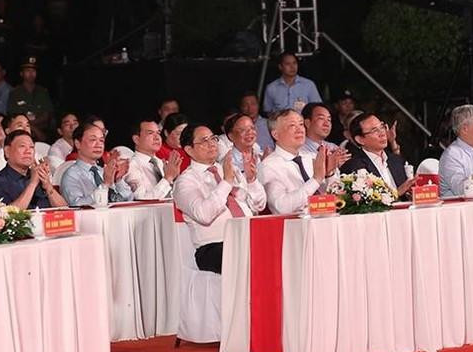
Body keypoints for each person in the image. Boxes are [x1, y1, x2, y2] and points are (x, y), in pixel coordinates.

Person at [173, 124, 266, 274]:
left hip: (247, 236)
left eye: (214, 138)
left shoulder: (228, 169)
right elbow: (203, 215)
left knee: (281, 245)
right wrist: (226, 182)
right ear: (189, 149)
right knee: (250, 256)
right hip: (214, 246)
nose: (211, 144)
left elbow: (258, 206)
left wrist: (251, 180)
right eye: (204, 140)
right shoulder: (185, 181)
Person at [258, 109, 339, 214]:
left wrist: (329, 175)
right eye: (292, 126)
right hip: (294, 227)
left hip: (324, 220)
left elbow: (336, 199)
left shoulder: (313, 157)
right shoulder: (269, 166)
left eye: (301, 124)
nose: (300, 130)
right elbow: (280, 207)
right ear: (275, 134)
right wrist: (316, 179)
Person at [0, 130, 67, 209]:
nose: (28, 151)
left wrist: (48, 186)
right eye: (22, 146)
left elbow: (65, 210)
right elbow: (7, 217)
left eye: (31, 147)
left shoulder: (39, 176)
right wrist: (32, 184)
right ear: (7, 151)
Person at [340, 112, 415, 197]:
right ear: (360, 139)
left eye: (382, 127)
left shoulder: (397, 161)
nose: (382, 133)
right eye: (374, 130)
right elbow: (364, 203)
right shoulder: (354, 167)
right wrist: (396, 193)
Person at [61, 122, 133, 206]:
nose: (99, 145)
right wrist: (105, 185)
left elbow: (129, 198)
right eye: (93, 140)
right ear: (78, 143)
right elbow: (77, 204)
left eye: (101, 140)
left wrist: (118, 180)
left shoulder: (103, 171)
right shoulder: (71, 174)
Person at [125, 119, 181, 200]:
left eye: (158, 133)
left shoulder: (162, 163)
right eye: (150, 133)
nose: (157, 137)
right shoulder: (130, 166)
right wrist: (168, 178)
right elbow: (142, 199)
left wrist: (175, 179)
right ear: (136, 139)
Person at [6, 56, 54, 142]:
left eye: (33, 71)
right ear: (21, 73)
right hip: (21, 132)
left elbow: (47, 115)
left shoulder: (43, 92)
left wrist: (31, 126)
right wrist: (30, 127)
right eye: (28, 71)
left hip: (43, 133)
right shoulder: (15, 93)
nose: (31, 74)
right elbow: (13, 116)